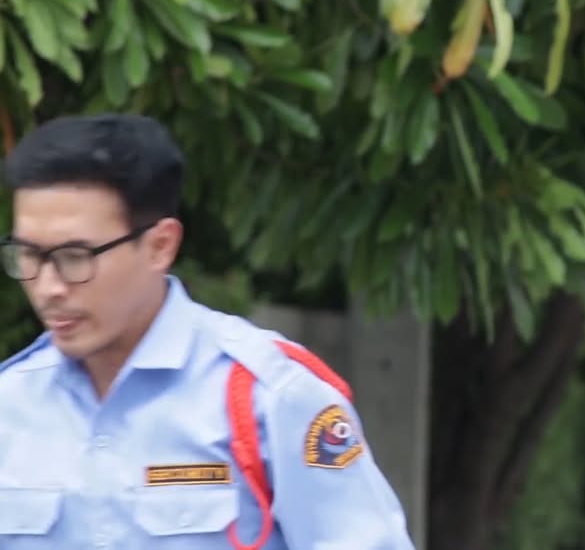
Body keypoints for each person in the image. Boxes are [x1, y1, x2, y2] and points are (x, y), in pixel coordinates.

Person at [0, 113, 416, 549]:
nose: (48, 287)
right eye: (28, 255)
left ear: (160, 246)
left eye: (74, 257)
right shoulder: (11, 403)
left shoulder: (270, 398)